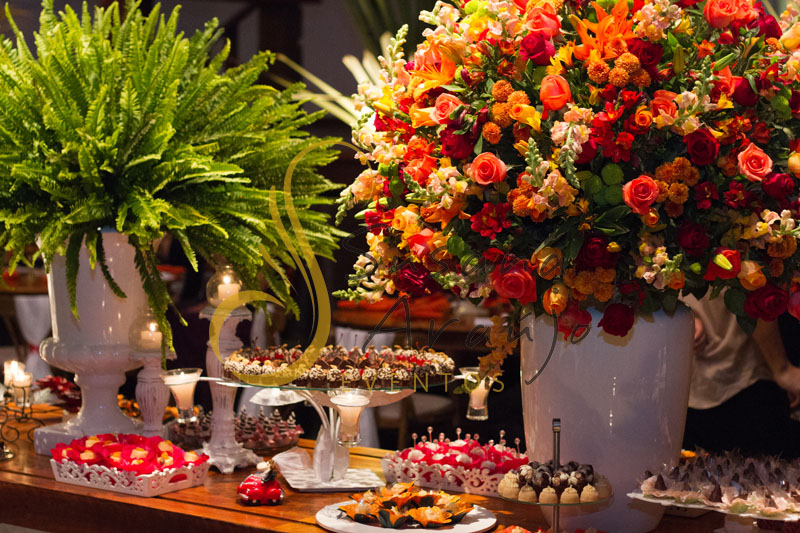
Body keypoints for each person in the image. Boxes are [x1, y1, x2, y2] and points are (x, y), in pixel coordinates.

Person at [682, 293, 800, 458]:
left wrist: (683, 314)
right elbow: (759, 293)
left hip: (696, 383)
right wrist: (781, 369)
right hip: (742, 375)